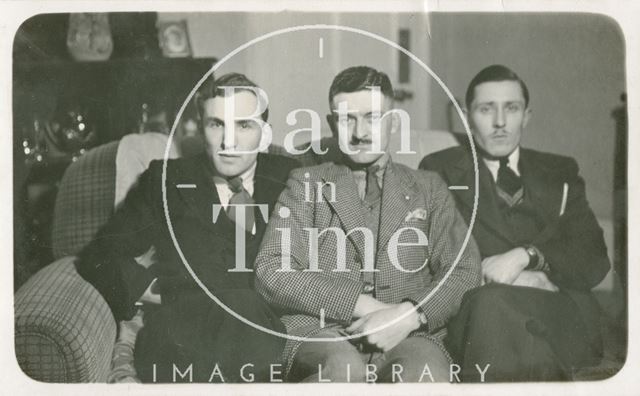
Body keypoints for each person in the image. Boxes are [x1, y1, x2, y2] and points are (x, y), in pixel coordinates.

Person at [254, 66, 481, 383]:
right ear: (333, 124)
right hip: (321, 331)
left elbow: (464, 270)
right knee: (343, 369)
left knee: (425, 374)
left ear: (392, 121)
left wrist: (408, 315)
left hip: (410, 335)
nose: (359, 132)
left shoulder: (429, 187)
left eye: (372, 117)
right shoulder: (306, 183)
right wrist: (359, 305)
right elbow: (272, 271)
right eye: (347, 119)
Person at [75, 73, 299, 382]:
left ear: (262, 133)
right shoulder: (165, 180)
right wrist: (152, 290)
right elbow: (98, 255)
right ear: (201, 127)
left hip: (263, 335)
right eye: (216, 124)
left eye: (243, 125)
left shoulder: (292, 177)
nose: (228, 142)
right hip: (182, 337)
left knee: (246, 309)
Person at [419, 64, 610, 381]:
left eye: (511, 108)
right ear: (467, 117)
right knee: (494, 311)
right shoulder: (441, 170)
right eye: (485, 109)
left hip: (558, 311)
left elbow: (594, 258)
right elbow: (434, 258)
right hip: (481, 315)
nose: (499, 122)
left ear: (527, 116)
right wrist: (521, 279)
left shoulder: (559, 171)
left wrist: (527, 256)